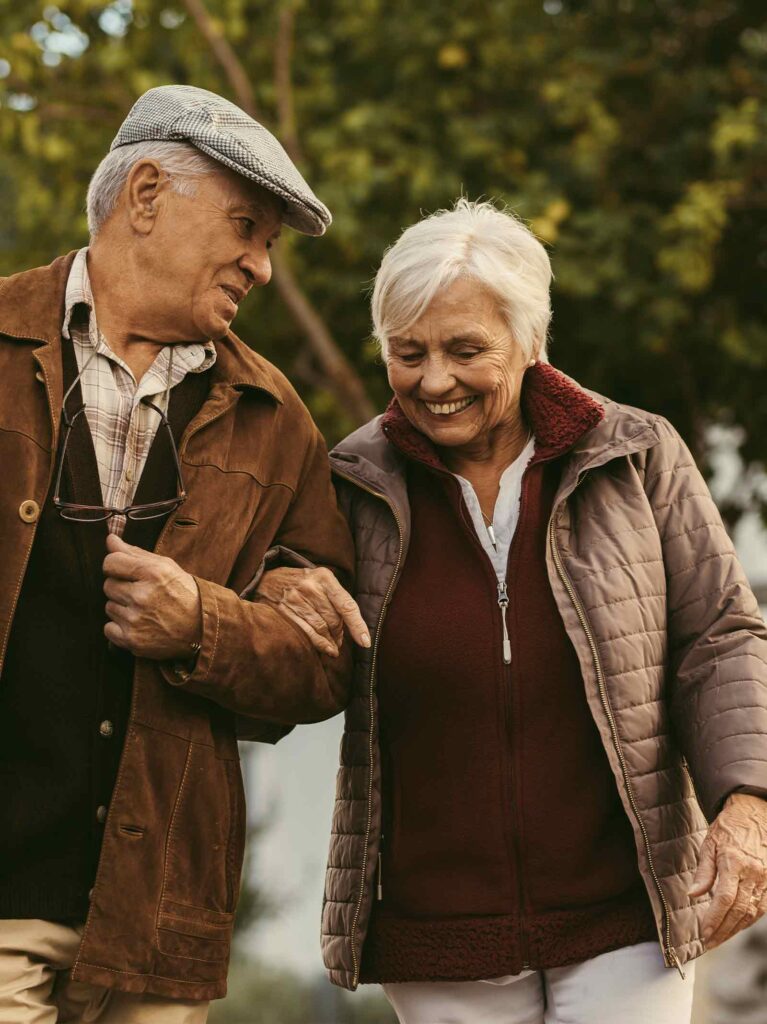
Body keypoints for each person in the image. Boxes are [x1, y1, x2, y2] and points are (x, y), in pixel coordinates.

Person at [256, 199, 767, 1024]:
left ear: (530, 343)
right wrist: (273, 591)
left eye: (465, 351)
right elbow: (297, 638)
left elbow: (718, 635)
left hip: (625, 914)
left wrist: (746, 800)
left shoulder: (635, 454)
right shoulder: (351, 481)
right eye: (407, 353)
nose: (433, 381)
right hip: (438, 927)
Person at [0, 85, 353, 1023]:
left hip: (158, 928)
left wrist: (206, 626)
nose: (261, 267)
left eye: (268, 244)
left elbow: (328, 663)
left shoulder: (276, 421)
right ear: (147, 195)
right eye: (246, 228)